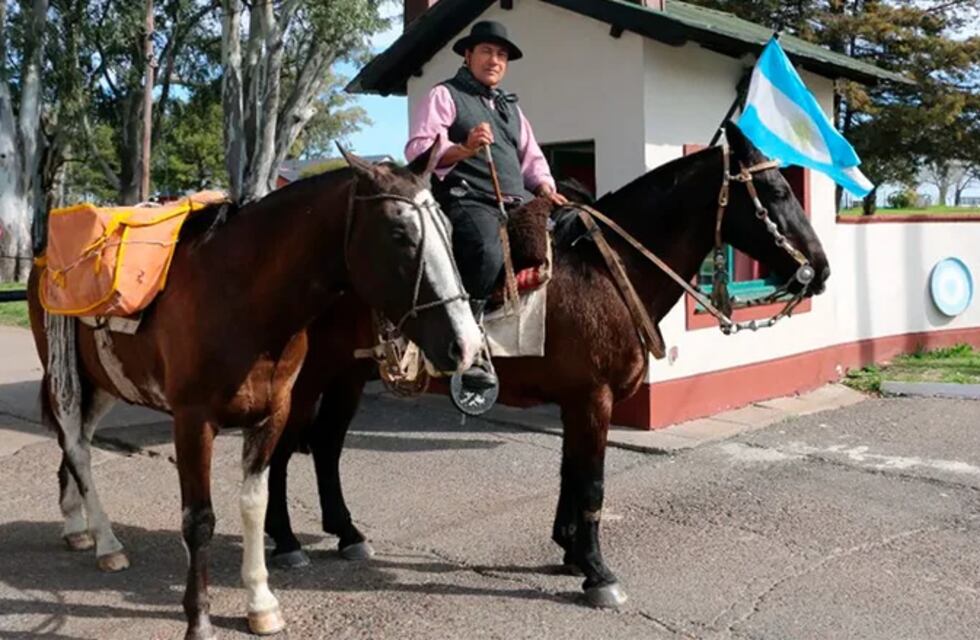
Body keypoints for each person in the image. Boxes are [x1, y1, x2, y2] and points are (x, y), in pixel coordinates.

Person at [405, 20, 567, 392]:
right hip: (467, 199)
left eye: (502, 55)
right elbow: (417, 149)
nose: (494, 60)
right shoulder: (445, 95)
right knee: (485, 249)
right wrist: (463, 149)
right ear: (468, 55)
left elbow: (532, 159)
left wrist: (545, 187)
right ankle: (470, 340)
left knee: (569, 233)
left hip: (517, 202)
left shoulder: (511, 108)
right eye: (487, 52)